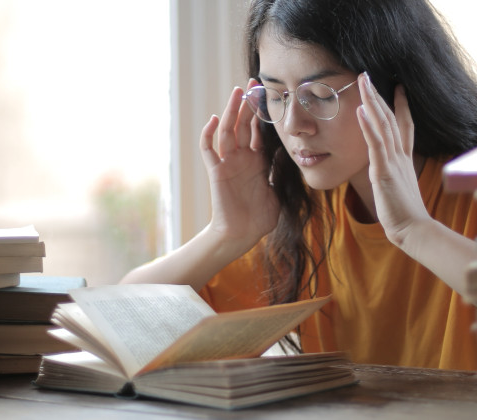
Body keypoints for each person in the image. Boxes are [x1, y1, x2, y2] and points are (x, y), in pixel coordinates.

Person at [120, 0, 477, 371]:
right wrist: (227, 234)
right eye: (277, 96)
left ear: (395, 87)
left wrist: (413, 230)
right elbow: (125, 318)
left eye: (321, 95)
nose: (293, 124)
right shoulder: (310, 210)